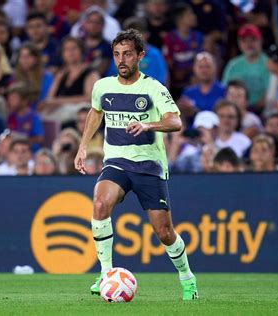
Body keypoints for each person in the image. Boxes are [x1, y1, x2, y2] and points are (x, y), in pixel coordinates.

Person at [74, 29, 198, 300]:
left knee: (164, 233)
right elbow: (96, 113)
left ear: (140, 56)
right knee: (99, 204)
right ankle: (106, 274)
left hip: (149, 166)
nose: (122, 60)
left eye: (128, 54)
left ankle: (187, 278)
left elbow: (176, 122)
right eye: (117, 54)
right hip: (116, 161)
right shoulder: (103, 87)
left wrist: (148, 124)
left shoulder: (153, 88)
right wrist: (83, 146)